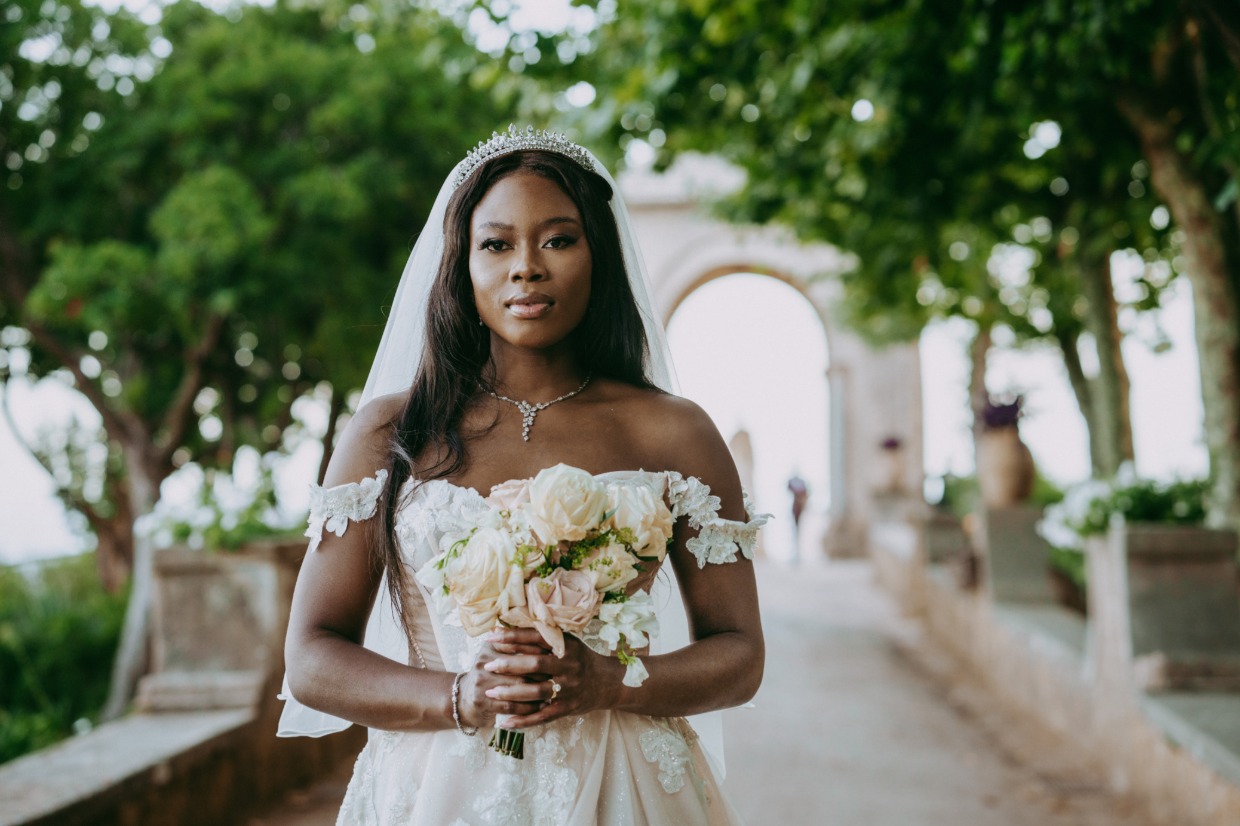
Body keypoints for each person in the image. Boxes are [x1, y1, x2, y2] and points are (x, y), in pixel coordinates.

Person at [280, 126, 767, 825]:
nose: (526, 268)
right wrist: (460, 696)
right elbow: (312, 657)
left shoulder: (674, 431)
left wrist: (610, 681)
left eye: (559, 240)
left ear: (598, 256)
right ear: (461, 263)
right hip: (433, 793)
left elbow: (741, 654)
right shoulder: (391, 432)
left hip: (624, 788)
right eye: (497, 243)